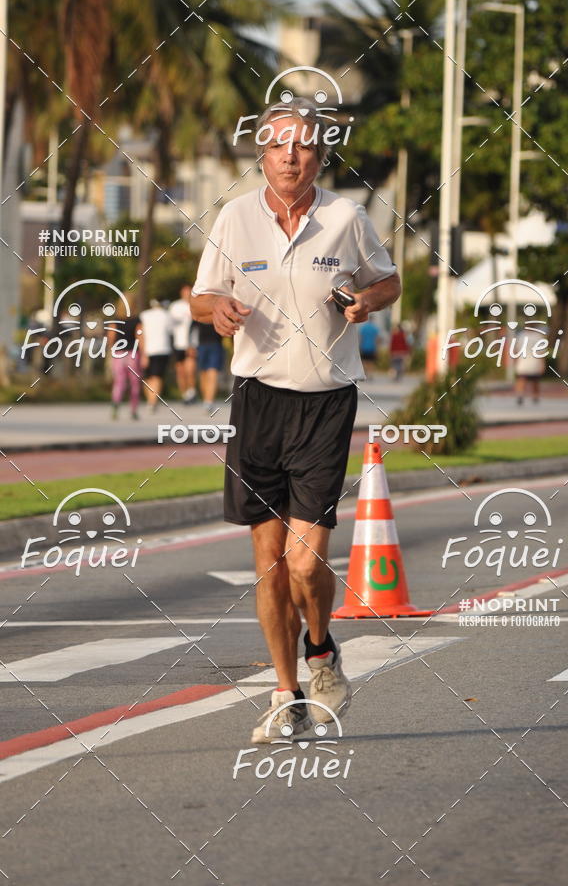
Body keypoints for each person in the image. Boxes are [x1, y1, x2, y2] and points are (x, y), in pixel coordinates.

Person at [190, 97, 401, 743]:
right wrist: (217, 310)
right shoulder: (234, 217)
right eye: (278, 144)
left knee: (305, 563)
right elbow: (200, 295)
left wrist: (365, 300)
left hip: (325, 399)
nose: (290, 155)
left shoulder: (346, 217)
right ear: (260, 152)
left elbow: (388, 281)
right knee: (268, 560)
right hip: (257, 400)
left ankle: (320, 648)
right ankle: (287, 696)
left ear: (320, 156)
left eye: (304, 146)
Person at [107, 301, 142, 420]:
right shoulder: (137, 320)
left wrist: (111, 351)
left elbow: (111, 337)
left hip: (118, 354)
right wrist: (144, 353)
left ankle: (115, 404)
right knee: (134, 383)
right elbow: (140, 337)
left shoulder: (115, 320)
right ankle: (133, 409)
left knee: (119, 381)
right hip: (133, 353)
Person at [139, 298, 172, 411]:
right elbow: (171, 330)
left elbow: (140, 334)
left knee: (148, 377)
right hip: (163, 349)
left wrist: (142, 351)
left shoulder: (144, 315)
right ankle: (152, 402)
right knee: (157, 377)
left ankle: (151, 400)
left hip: (148, 350)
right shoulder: (167, 315)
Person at [169, 284, 196, 404]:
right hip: (178, 343)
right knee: (181, 371)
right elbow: (169, 325)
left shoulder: (196, 305)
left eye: (189, 292)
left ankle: (192, 392)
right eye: (184, 292)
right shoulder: (175, 306)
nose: (187, 294)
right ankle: (184, 394)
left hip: (192, 344)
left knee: (190, 370)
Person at [191, 320, 224, 413]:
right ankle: (206, 399)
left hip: (215, 344)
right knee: (203, 374)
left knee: (213, 373)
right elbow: (193, 330)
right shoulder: (200, 309)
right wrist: (191, 346)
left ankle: (209, 401)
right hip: (201, 346)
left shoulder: (220, 308)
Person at [514, 326, 545, 404]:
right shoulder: (538, 336)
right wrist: (542, 363)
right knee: (535, 381)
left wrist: (516, 360)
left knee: (522, 379)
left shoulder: (521, 335)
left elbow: (516, 349)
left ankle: (520, 395)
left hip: (523, 362)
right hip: (534, 362)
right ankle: (535, 396)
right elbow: (541, 352)